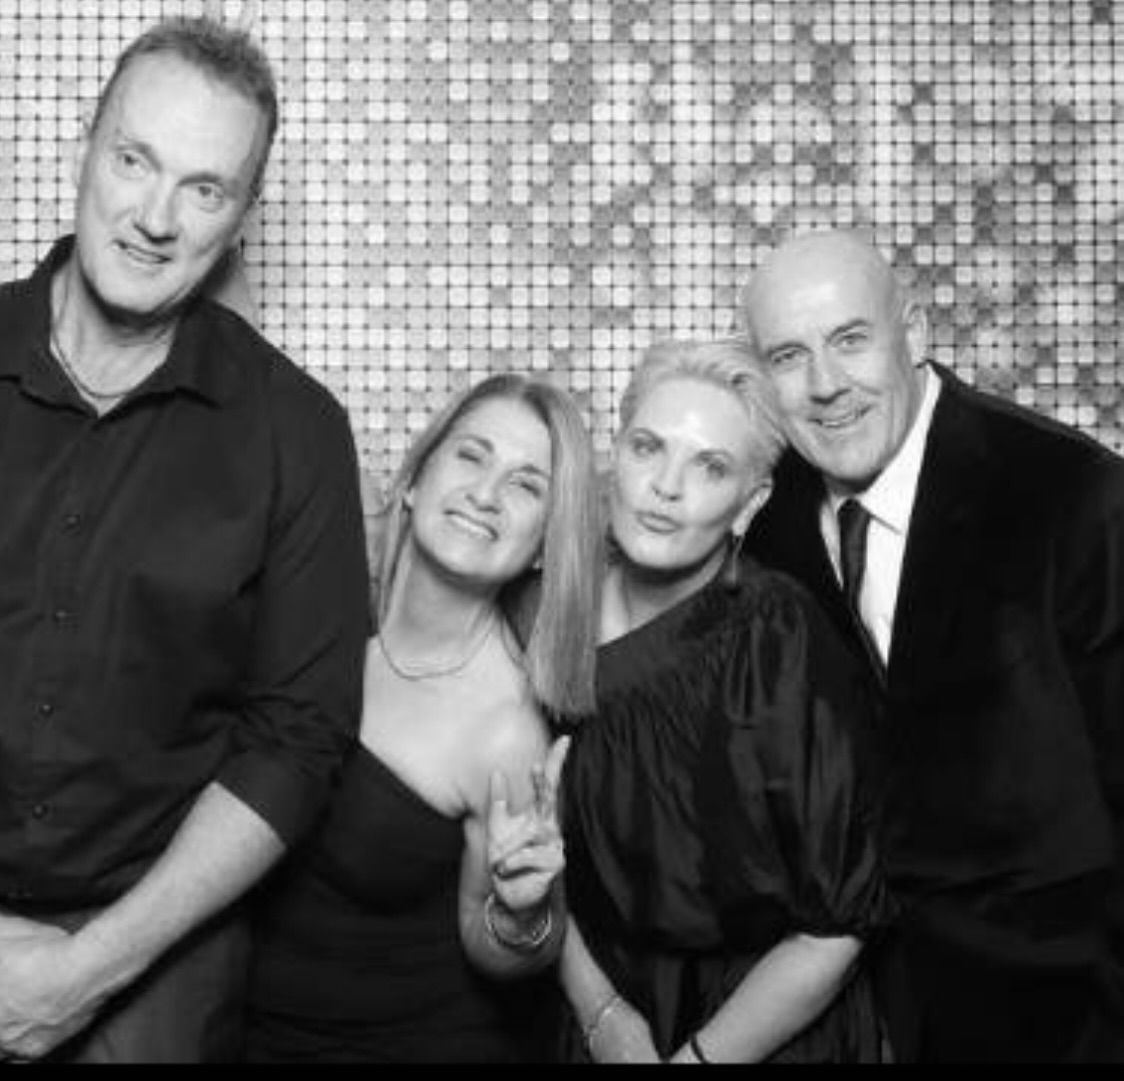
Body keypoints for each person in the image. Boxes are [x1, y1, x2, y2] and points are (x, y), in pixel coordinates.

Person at [0, 17, 370, 1063]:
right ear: (87, 146)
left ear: (242, 215)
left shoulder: (297, 431)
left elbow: (296, 738)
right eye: (134, 160)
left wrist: (87, 968)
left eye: (203, 189)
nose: (154, 217)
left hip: (153, 945)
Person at [739, 227, 1124, 1063]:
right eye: (788, 356)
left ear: (913, 331)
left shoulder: (1068, 493)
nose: (826, 385)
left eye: (849, 340)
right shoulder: (768, 533)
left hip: (1075, 1014)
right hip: (875, 1018)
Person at [243, 372, 602, 1063]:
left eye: (527, 485)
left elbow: (499, 948)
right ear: (415, 476)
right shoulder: (314, 618)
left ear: (541, 546)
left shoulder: (504, 726)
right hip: (246, 1030)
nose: (485, 493)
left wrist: (521, 909)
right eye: (471, 455)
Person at [556, 338, 893, 1064]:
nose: (666, 486)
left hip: (767, 1033)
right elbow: (530, 865)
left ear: (752, 501)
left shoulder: (778, 636)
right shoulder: (550, 610)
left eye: (710, 466)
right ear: (616, 451)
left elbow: (838, 920)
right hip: (603, 1020)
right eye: (649, 447)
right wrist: (603, 1016)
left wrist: (699, 1060)